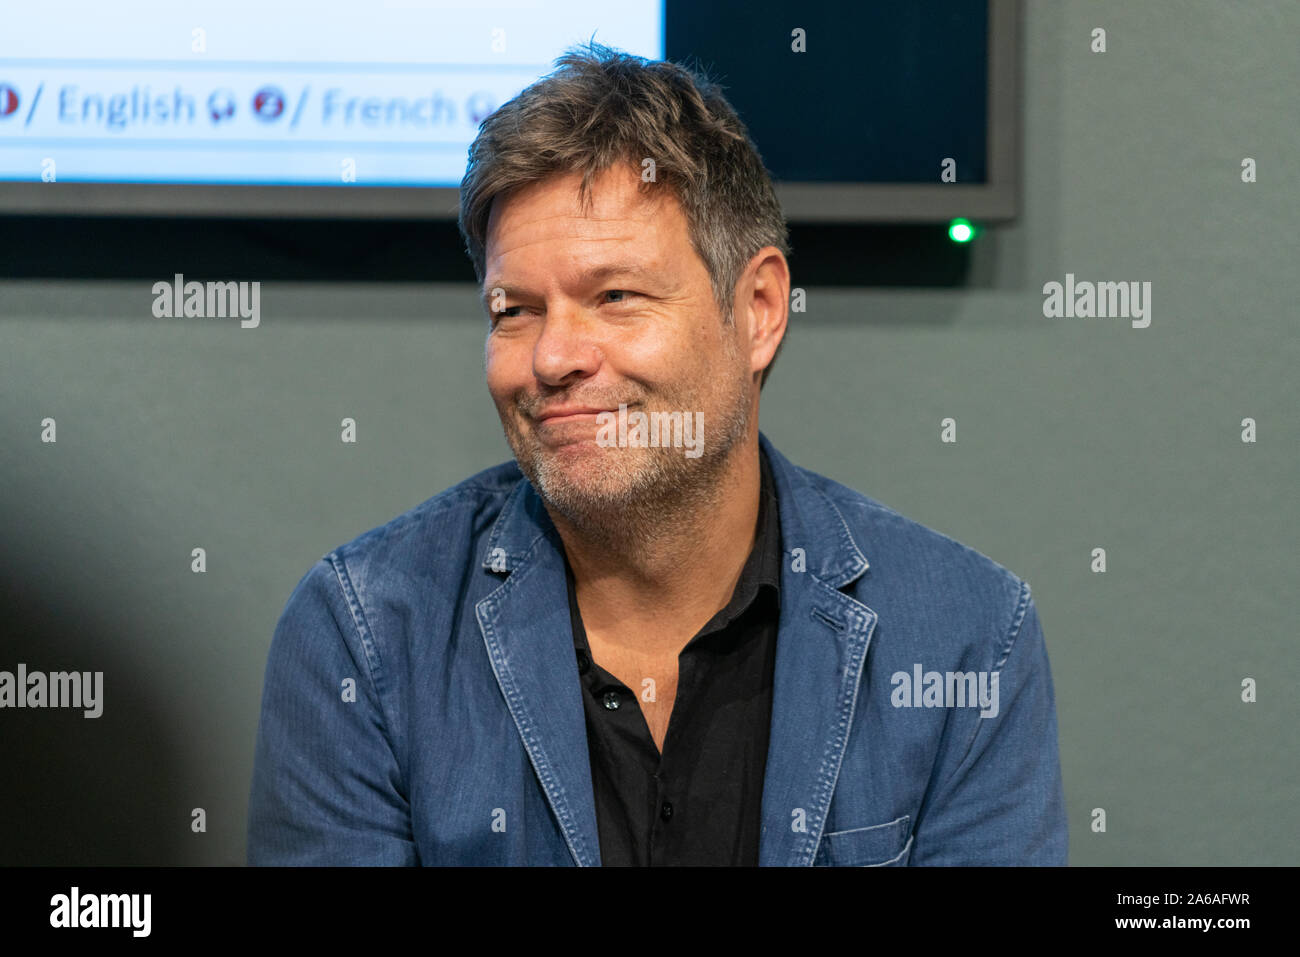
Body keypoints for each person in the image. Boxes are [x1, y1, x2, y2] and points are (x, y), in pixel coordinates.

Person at [247, 42, 1067, 866]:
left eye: (615, 296)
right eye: (515, 310)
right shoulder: (366, 634)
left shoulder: (966, 637)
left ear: (758, 309)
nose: (553, 356)